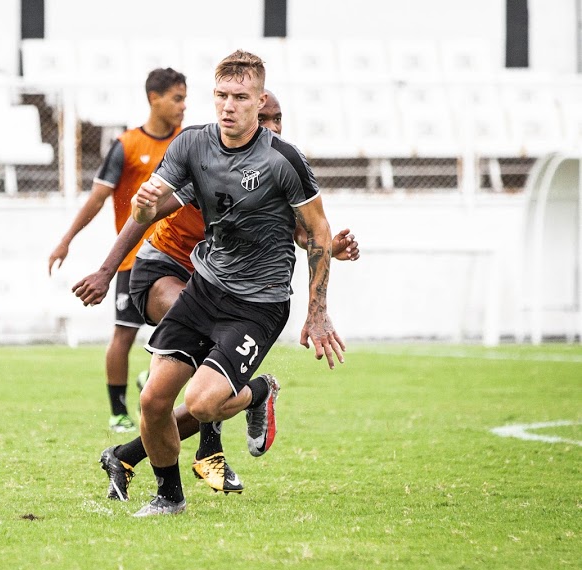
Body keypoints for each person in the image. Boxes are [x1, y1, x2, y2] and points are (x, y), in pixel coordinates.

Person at [72, 90, 358, 500]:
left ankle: (129, 455)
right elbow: (148, 214)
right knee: (196, 373)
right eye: (267, 117)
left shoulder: (276, 163)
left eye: (279, 119)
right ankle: (211, 447)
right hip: (165, 266)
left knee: (205, 391)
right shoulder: (209, 158)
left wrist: (332, 249)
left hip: (216, 281)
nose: (273, 127)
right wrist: (105, 270)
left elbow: (300, 232)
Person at [129, 49, 345, 517]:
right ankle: (169, 497)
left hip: (259, 303)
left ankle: (259, 391)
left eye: (241, 97)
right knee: (152, 399)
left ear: (259, 99)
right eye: (222, 95)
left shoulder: (284, 160)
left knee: (203, 404)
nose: (229, 106)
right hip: (205, 286)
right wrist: (142, 206)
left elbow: (318, 232)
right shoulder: (191, 144)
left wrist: (318, 310)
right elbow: (148, 209)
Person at [48, 68, 188, 433]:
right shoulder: (126, 145)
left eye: (186, 98)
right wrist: (67, 239)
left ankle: (153, 377)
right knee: (124, 334)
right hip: (134, 259)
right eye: (177, 98)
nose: (183, 106)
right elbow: (97, 198)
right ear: (153, 99)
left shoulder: (188, 145)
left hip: (180, 256)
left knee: (186, 327)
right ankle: (118, 411)